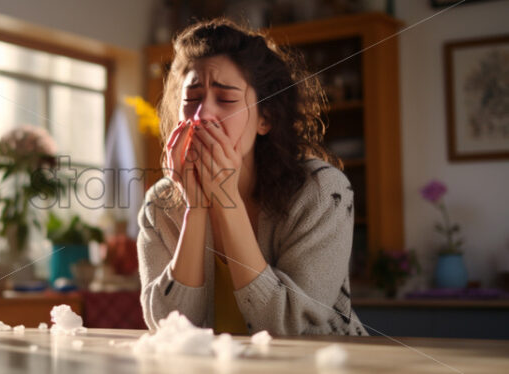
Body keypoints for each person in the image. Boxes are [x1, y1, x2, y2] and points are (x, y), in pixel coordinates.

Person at [136, 18, 367, 336]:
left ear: (265, 118)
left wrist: (225, 200)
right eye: (191, 100)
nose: (202, 115)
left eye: (226, 99)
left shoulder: (323, 191)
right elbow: (169, 328)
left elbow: (290, 327)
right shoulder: (162, 202)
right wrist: (196, 208)